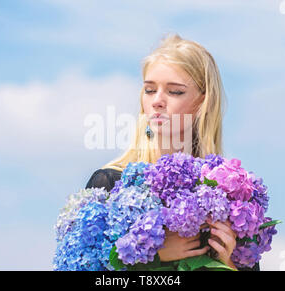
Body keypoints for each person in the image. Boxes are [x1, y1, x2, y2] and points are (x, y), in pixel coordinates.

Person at [85, 33, 259, 271]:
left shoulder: (230, 199)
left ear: (202, 103)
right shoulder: (110, 183)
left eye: (174, 92)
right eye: (149, 90)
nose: (157, 101)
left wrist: (228, 263)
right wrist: (153, 256)